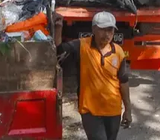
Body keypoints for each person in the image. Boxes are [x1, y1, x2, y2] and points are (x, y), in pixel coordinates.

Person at [54, 11, 132, 140]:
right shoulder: (81, 46)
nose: (107, 34)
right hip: (90, 111)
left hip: (113, 111)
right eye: (103, 30)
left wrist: (128, 110)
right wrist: (58, 28)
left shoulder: (118, 51)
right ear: (94, 29)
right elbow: (59, 53)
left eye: (110, 30)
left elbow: (123, 81)